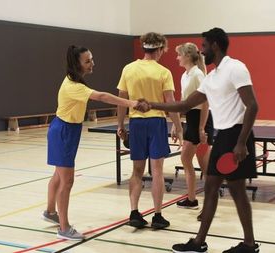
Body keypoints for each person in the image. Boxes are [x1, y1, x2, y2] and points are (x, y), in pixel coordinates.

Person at [136, 27, 260, 253]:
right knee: (211, 188)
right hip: (222, 136)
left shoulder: (235, 68)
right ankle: (198, 241)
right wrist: (152, 105)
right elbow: (184, 105)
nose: (201, 51)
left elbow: (252, 105)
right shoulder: (211, 78)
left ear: (214, 45)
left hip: (237, 135)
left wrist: (242, 142)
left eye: (203, 46)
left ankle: (249, 244)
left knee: (237, 191)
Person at [43, 45, 138, 240]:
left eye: (91, 59)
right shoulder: (74, 87)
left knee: (59, 176)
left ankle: (50, 212)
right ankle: (64, 228)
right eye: (87, 61)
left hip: (66, 130)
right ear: (76, 64)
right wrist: (131, 103)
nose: (92, 63)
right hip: (63, 132)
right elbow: (102, 96)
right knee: (67, 180)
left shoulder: (75, 82)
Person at [116, 32, 183, 229]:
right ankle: (157, 215)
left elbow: (121, 99)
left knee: (137, 171)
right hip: (156, 123)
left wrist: (120, 125)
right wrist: (178, 127)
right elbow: (170, 102)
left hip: (136, 123)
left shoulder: (128, 69)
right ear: (160, 49)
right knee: (157, 171)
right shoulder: (163, 72)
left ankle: (134, 212)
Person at [174, 42, 214, 212]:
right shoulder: (186, 75)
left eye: (179, 55)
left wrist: (201, 128)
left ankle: (199, 200)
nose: (177, 58)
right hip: (191, 118)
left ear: (188, 56)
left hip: (200, 120)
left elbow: (205, 103)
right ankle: (193, 199)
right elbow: (185, 103)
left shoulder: (198, 75)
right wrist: (178, 125)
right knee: (195, 162)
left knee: (190, 160)